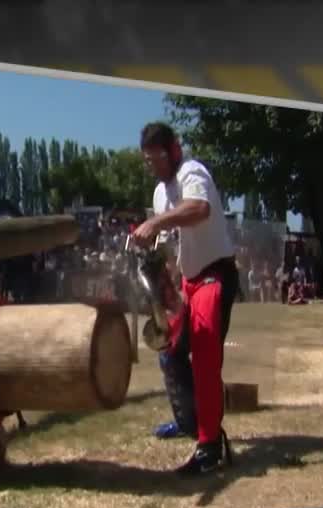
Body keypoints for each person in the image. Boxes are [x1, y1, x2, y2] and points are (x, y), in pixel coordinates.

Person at [130, 122, 239, 476]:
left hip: (214, 277)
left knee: (205, 360)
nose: (153, 166)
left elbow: (199, 209)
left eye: (157, 158)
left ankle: (209, 447)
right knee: (170, 351)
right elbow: (171, 246)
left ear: (173, 150)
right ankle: (190, 420)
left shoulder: (193, 172)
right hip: (190, 282)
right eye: (148, 161)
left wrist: (157, 224)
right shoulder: (160, 194)